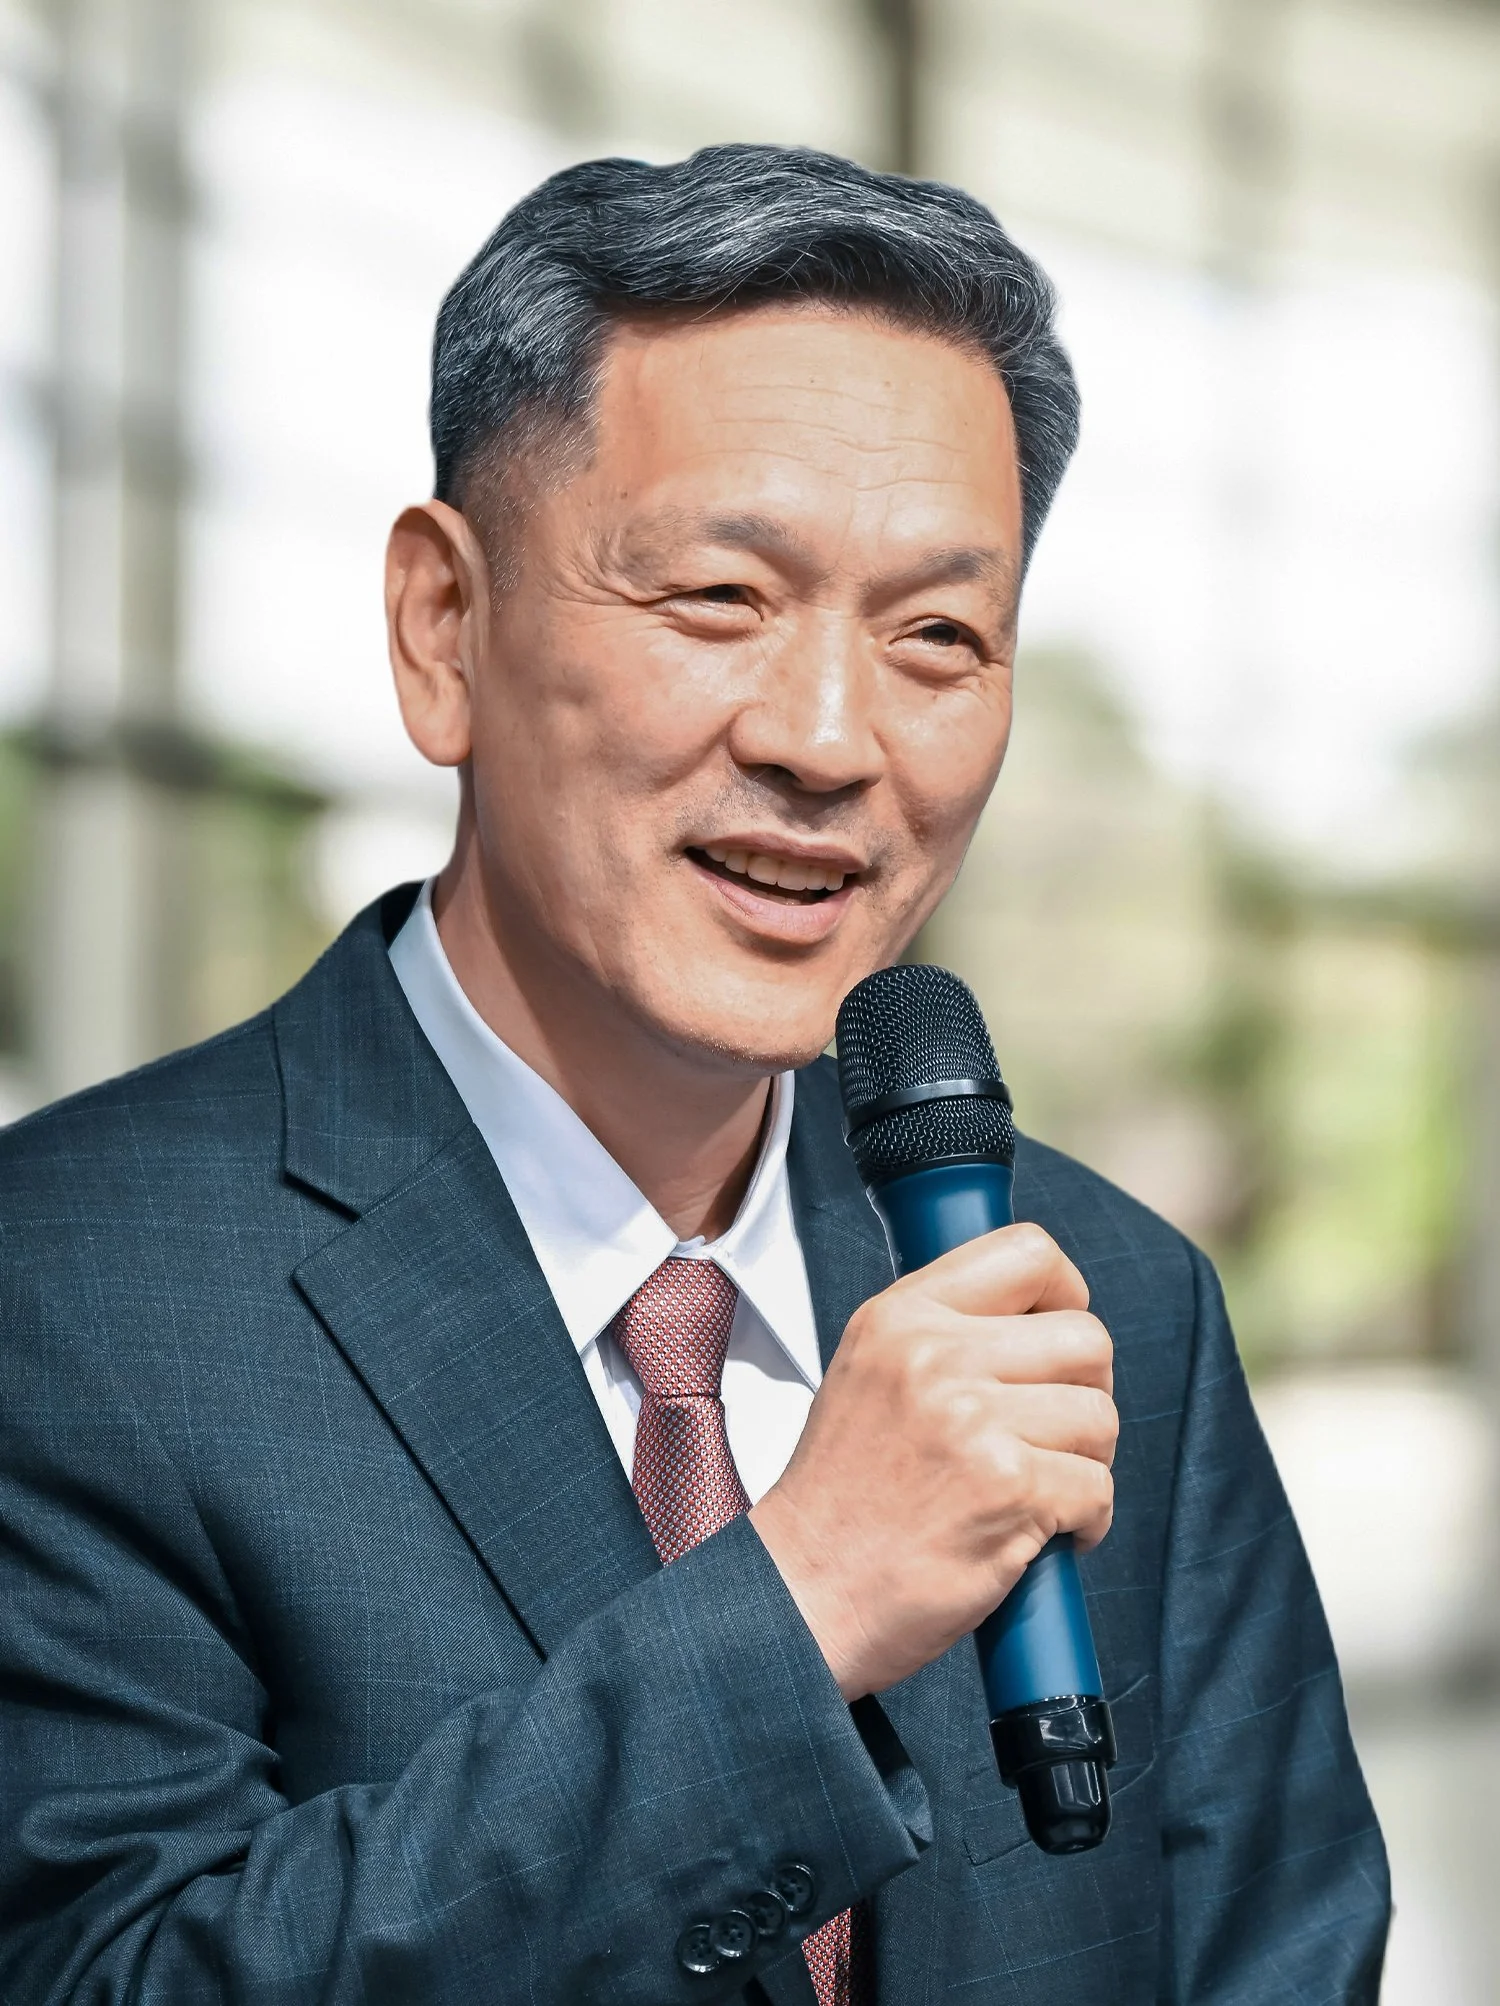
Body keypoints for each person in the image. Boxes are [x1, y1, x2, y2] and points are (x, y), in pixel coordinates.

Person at [0, 144, 1387, 2004]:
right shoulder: (71, 1286)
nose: (828, 740)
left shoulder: (1110, 1298)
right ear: (444, 631)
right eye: (723, 597)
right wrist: (798, 1611)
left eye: (939, 638)